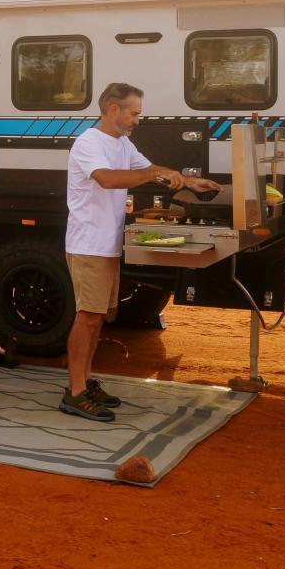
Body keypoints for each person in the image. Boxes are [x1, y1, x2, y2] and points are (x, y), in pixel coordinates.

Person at [62, 82, 220, 422]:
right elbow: (106, 179)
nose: (137, 119)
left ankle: (85, 382)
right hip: (88, 243)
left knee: (98, 318)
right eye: (134, 112)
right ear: (113, 109)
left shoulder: (122, 142)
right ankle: (75, 392)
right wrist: (149, 174)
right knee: (87, 318)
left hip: (106, 243)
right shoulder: (89, 142)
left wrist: (190, 182)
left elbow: (152, 170)